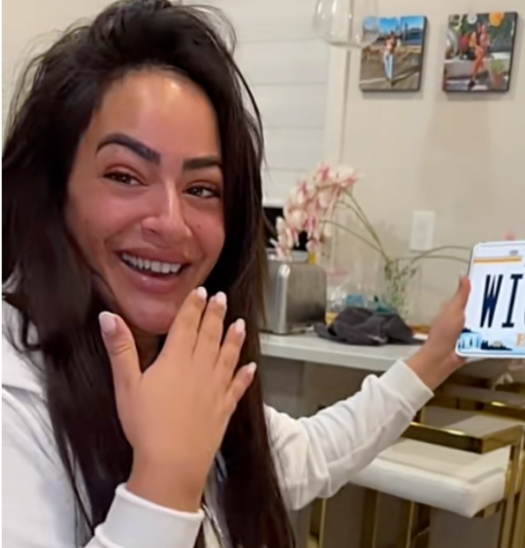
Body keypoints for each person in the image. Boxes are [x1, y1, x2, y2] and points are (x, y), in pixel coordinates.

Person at [2, 1, 472, 548]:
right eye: (126, 176)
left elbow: (308, 454)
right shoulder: (16, 396)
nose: (171, 222)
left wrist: (436, 355)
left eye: (202, 188)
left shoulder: (185, 360)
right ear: (54, 193)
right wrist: (163, 483)